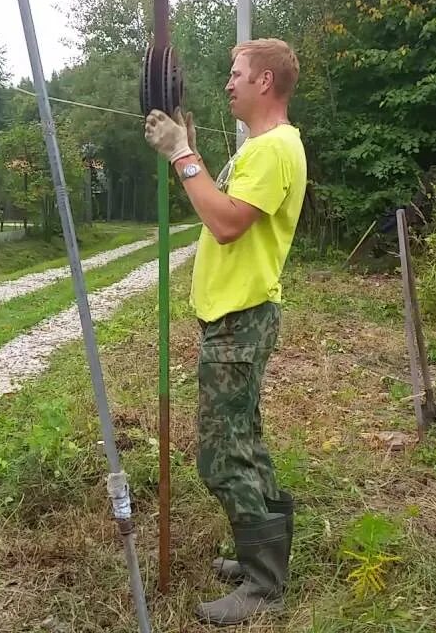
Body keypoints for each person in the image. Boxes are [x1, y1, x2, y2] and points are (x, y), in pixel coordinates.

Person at [143, 38, 307, 626]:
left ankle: (264, 584)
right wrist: (191, 154)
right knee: (245, 439)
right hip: (240, 312)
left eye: (238, 74)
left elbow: (226, 221)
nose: (228, 83)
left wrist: (182, 155)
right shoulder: (265, 148)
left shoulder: (273, 149)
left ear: (266, 82)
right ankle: (261, 556)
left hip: (240, 318)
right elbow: (226, 203)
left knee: (220, 455)